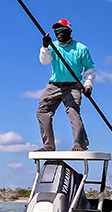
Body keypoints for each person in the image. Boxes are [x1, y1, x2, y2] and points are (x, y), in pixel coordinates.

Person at [36, 18, 95, 152]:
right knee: (42, 111)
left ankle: (80, 144)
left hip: (74, 85)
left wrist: (88, 85)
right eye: (56, 31)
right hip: (54, 85)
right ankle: (48, 146)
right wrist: (45, 46)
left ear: (69, 31)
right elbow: (44, 61)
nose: (58, 33)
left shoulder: (81, 48)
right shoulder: (52, 46)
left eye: (61, 30)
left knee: (73, 112)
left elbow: (90, 69)